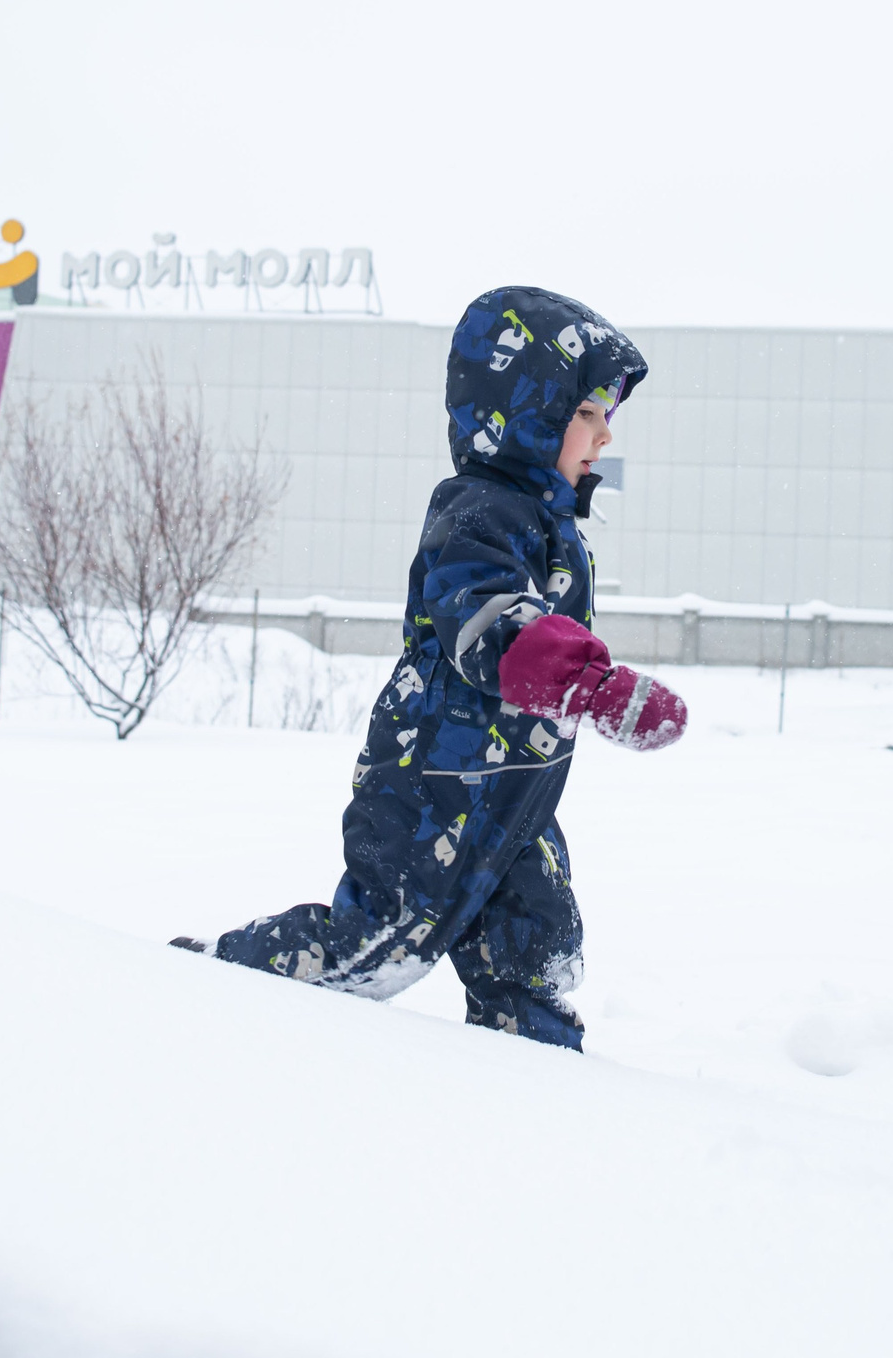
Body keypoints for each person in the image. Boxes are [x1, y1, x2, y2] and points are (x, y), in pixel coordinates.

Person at [174, 286, 687, 1049]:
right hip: (431, 782)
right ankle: (208, 977)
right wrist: (591, 685)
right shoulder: (477, 514)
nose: (605, 433)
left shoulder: (556, 529)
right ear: (527, 415)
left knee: (533, 950)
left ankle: (542, 1080)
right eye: (587, 411)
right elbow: (488, 623)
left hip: (518, 792)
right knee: (377, 944)